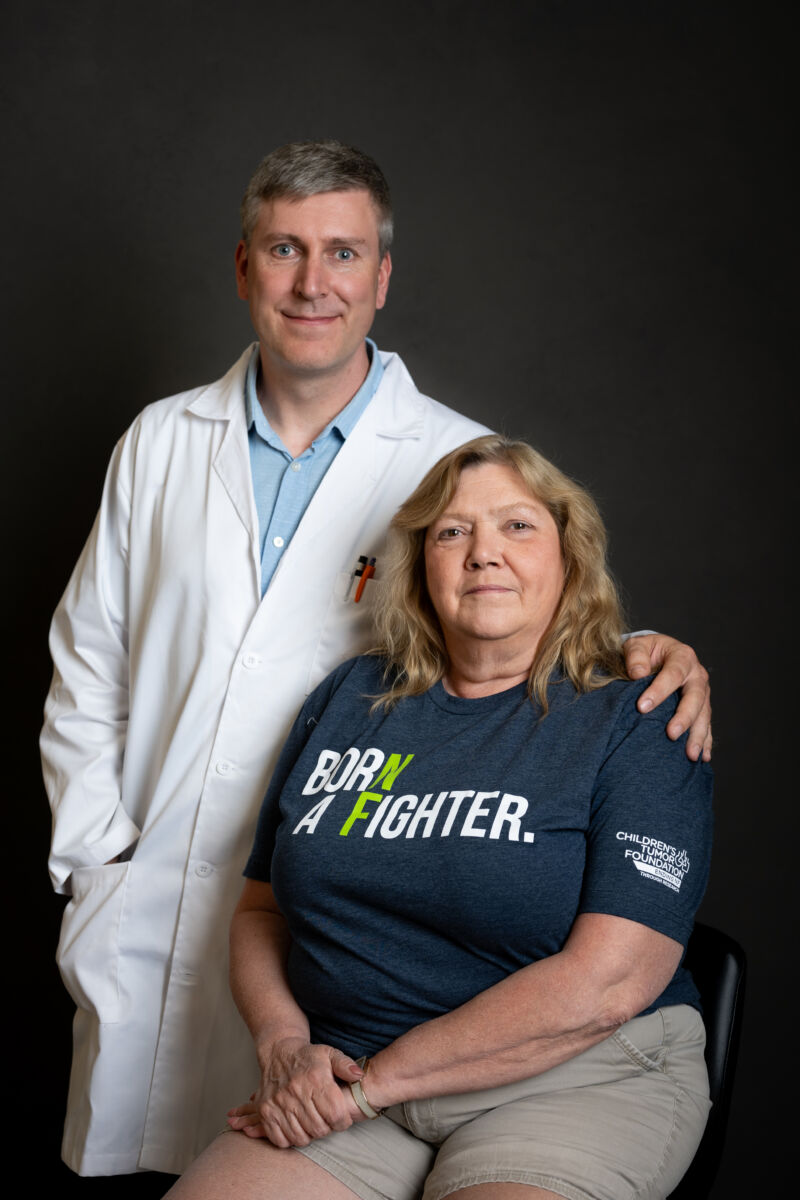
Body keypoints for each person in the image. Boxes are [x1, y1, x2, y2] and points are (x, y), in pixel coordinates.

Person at [40, 141, 712, 1180]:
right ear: (242, 267)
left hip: (366, 965)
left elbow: (510, 623)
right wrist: (96, 858)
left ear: (381, 277)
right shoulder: (161, 441)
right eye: (284, 250)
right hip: (191, 905)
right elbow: (88, 664)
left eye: (343, 253)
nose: (314, 283)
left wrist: (635, 652)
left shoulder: (446, 460)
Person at [166, 434, 713, 1200]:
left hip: (575, 1080)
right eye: (452, 531)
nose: (483, 553)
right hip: (351, 1073)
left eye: (517, 526)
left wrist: (372, 1087)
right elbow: (261, 910)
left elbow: (608, 985)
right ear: (421, 563)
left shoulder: (637, 716)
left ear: (570, 555)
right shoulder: (349, 700)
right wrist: (285, 1045)